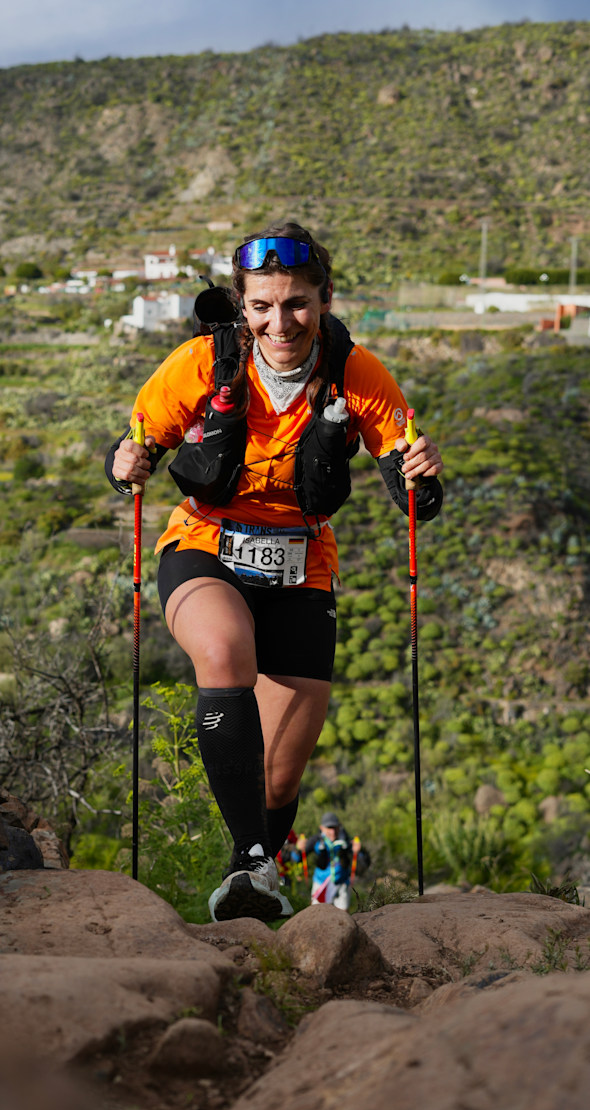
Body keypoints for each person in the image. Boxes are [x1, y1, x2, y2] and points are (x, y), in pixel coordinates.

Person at [106, 220, 444, 924]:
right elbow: (136, 442)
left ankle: (248, 880)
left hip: (302, 563)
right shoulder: (205, 361)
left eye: (295, 302)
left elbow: (415, 494)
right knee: (225, 649)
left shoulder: (357, 372)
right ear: (242, 304)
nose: (278, 320)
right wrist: (123, 463)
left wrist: (422, 475)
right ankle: (256, 864)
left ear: (323, 298)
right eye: (261, 305)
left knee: (281, 775)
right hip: (205, 543)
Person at [299, 811, 367, 911]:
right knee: (317, 913)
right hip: (321, 883)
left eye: (335, 827)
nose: (333, 832)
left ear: (339, 827)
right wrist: (299, 848)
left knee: (343, 917)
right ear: (322, 827)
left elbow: (363, 861)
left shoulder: (346, 840)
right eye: (329, 828)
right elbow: (297, 858)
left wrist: (359, 851)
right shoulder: (316, 840)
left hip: (342, 883)